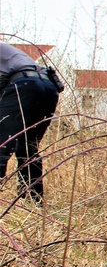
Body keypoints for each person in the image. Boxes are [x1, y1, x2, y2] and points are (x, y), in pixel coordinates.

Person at [0, 42, 61, 203]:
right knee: (27, 149)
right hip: (48, 87)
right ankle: (33, 203)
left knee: (1, 146)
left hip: (25, 86)